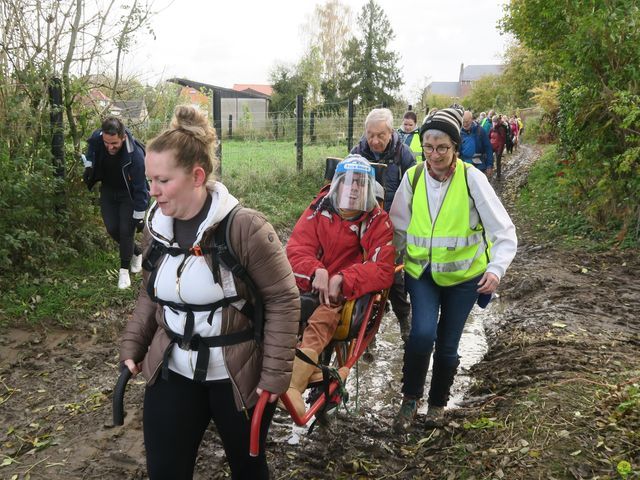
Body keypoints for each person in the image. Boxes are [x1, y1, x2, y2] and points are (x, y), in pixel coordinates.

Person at [119, 105, 300, 479]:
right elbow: (150, 295)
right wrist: (133, 346)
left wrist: (273, 379)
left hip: (237, 378)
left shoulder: (245, 229)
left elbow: (284, 299)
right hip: (172, 370)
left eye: (162, 181)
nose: (152, 191)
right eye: (149, 179)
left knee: (249, 472)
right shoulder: (156, 227)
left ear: (197, 176)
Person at [389, 107, 517, 432]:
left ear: (455, 147)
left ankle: (436, 404)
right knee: (421, 335)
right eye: (428, 147)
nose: (434, 155)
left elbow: (504, 232)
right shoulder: (413, 178)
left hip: (463, 279)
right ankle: (409, 398)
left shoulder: (472, 179)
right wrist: (389, 264)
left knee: (447, 347)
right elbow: (397, 229)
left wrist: (496, 270)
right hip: (422, 275)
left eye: (442, 147)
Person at [285, 155, 395, 416]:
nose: (354, 188)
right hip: (309, 282)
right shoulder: (318, 209)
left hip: (344, 293)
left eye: (360, 183)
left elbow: (383, 268)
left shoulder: (377, 220)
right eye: (348, 182)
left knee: (324, 316)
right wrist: (315, 271)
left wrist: (344, 279)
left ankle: (292, 385)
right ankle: (301, 370)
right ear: (337, 185)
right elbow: (296, 248)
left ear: (369, 188)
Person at [351, 108, 416, 341]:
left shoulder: (405, 156)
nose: (375, 140)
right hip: (364, 225)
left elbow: (415, 195)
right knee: (362, 277)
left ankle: (404, 322)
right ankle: (366, 333)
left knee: (394, 278)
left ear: (391, 132)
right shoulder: (357, 154)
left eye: (380, 135)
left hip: (392, 226)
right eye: (370, 135)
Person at [83, 116, 149, 289]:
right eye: (107, 143)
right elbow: (91, 149)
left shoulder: (135, 156)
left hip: (128, 195)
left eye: (114, 144)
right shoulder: (99, 137)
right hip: (108, 190)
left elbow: (141, 188)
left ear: (123, 137)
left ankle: (124, 272)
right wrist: (89, 165)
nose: (110, 147)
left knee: (126, 230)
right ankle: (136, 251)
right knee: (112, 229)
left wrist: (139, 215)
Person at [460, 110, 494, 177]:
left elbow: (488, 148)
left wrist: (489, 165)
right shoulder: (459, 132)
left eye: (467, 122)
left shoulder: (480, 131)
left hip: (479, 166)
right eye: (463, 122)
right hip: (464, 166)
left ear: (471, 119)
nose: (465, 124)